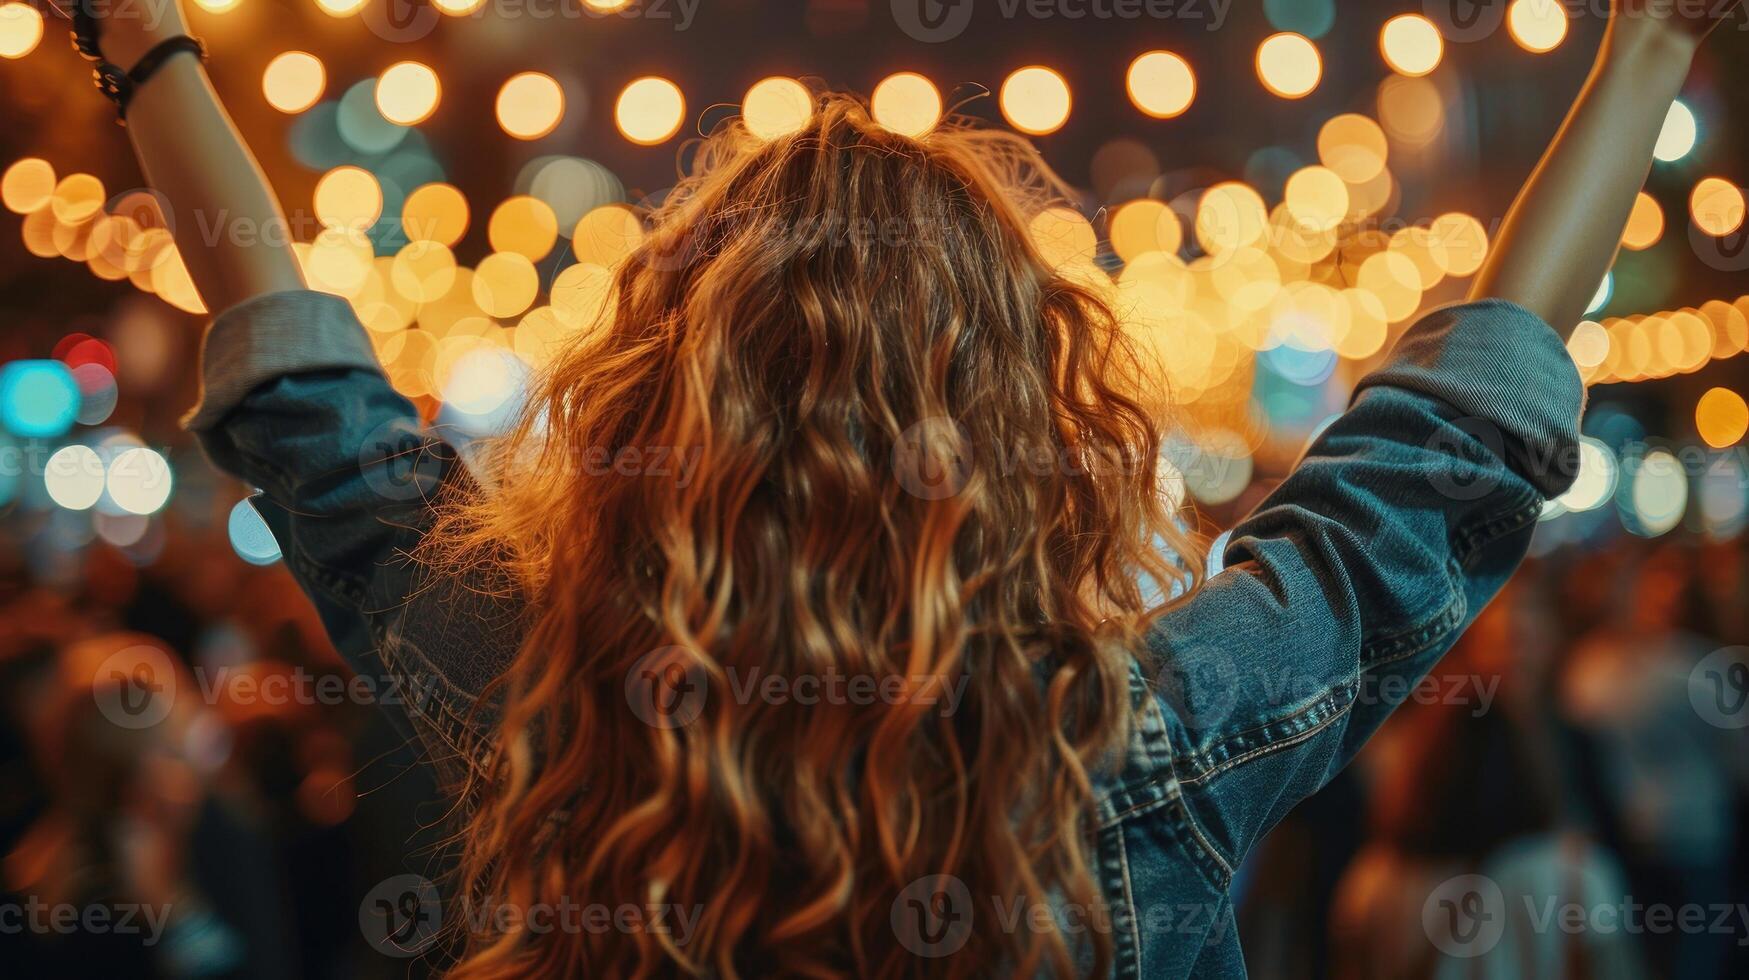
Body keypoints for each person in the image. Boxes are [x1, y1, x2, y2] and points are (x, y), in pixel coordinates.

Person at [64, 1, 1740, 975]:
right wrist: (1650, 44)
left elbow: (306, 397)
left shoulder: (546, 691)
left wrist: (141, 42)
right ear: (1027, 413)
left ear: (668, 392)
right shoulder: (1143, 737)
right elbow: (1447, 436)